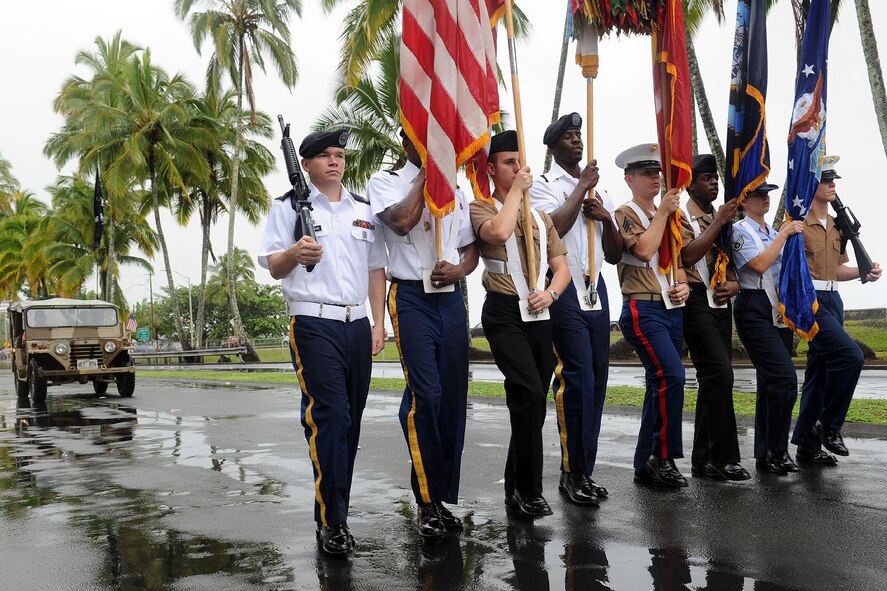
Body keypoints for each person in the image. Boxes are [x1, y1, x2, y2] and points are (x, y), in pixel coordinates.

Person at [257, 129, 388, 557]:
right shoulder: (287, 207)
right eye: (325, 156)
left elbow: (374, 270)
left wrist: (378, 322)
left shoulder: (363, 211)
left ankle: (337, 510)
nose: (335, 162)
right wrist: (295, 253)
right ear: (307, 164)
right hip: (313, 323)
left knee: (349, 422)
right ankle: (332, 521)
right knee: (329, 417)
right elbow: (275, 266)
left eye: (340, 155)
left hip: (356, 325)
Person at [366, 130, 479, 542]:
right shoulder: (386, 182)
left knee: (450, 398)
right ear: (405, 138)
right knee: (425, 395)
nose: (432, 140)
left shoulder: (459, 189)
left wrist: (461, 270)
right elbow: (401, 221)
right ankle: (426, 501)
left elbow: (470, 247)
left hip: (449, 298)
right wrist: (426, 176)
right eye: (422, 132)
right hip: (411, 297)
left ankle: (442, 496)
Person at [470, 130, 571, 518]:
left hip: (539, 311)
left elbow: (559, 267)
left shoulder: (541, 218)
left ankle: (516, 486)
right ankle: (528, 490)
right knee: (527, 389)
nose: (518, 168)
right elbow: (496, 232)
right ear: (493, 168)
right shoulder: (481, 207)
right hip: (503, 310)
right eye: (509, 163)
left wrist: (552, 293)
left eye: (520, 162)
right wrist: (516, 191)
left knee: (532, 401)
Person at [529, 113, 623, 505]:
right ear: (552, 147)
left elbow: (617, 255)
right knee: (577, 377)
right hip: (564, 286)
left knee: (598, 380)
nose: (576, 141)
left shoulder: (602, 194)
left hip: (596, 287)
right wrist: (581, 187)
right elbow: (551, 228)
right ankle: (571, 472)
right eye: (567, 137)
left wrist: (606, 219)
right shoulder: (543, 186)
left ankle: (586, 468)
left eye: (578, 135)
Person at [790, 156, 882, 464]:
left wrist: (863, 272)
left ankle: (807, 444)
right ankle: (828, 424)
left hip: (834, 300)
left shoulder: (836, 225)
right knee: (850, 356)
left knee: (820, 372)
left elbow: (837, 269)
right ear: (809, 185)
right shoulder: (797, 224)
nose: (832, 184)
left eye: (834, 180)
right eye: (825, 180)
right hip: (810, 302)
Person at [613, 143, 691, 489]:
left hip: (670, 306)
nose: (655, 178)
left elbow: (681, 258)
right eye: (647, 173)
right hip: (642, 306)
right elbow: (644, 250)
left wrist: (684, 285)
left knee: (662, 383)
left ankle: (648, 459)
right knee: (672, 376)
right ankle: (662, 457)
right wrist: (662, 213)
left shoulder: (672, 213)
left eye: (657, 172)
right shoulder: (625, 212)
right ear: (630, 178)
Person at [679, 154, 748, 481]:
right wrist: (718, 221)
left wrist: (735, 283)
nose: (713, 182)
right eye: (706, 177)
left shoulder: (723, 217)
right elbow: (688, 256)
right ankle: (725, 458)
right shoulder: (683, 214)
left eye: (715, 177)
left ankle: (702, 458)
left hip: (720, 301)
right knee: (720, 375)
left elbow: (731, 261)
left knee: (713, 381)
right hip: (694, 301)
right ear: (690, 183)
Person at [731, 184, 804, 474]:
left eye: (767, 193)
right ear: (744, 201)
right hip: (753, 306)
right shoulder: (740, 231)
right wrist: (785, 234)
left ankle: (766, 452)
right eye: (758, 193)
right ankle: (778, 449)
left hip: (777, 308)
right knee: (785, 379)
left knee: (770, 383)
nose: (765, 197)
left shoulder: (773, 234)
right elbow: (759, 265)